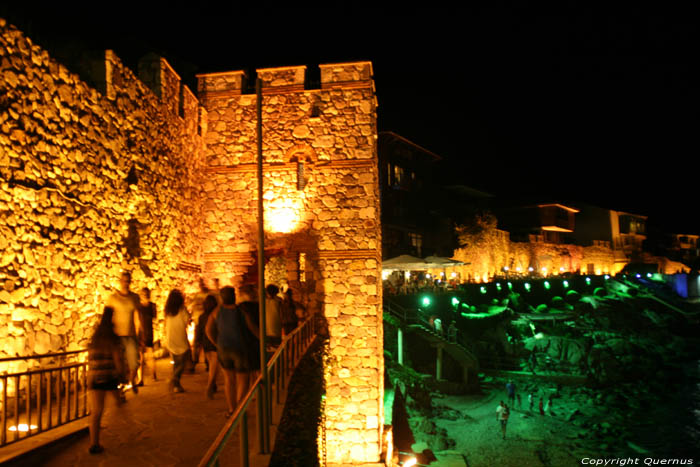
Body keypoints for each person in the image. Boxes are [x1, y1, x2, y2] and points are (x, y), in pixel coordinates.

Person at [207, 285, 260, 417]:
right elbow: (253, 328)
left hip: (223, 349)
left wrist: (216, 342)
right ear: (234, 296)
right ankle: (240, 409)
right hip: (239, 349)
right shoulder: (240, 311)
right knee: (243, 379)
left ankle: (232, 409)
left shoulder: (217, 311)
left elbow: (208, 329)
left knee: (229, 380)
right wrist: (264, 339)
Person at [87, 306, 125, 454]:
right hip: (109, 377)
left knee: (96, 411)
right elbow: (118, 360)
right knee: (119, 404)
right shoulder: (112, 340)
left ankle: (94, 443)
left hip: (95, 378)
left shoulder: (95, 339)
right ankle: (126, 429)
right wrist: (122, 375)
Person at [107, 271, 141, 394]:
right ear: (120, 281)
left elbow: (138, 316)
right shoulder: (113, 298)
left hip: (131, 335)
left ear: (130, 282)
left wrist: (140, 334)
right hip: (117, 335)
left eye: (128, 281)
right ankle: (120, 388)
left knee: (134, 362)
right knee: (118, 364)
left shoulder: (135, 297)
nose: (126, 283)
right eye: (124, 280)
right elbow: (107, 316)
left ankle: (131, 381)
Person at [164, 289, 190, 393]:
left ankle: (177, 385)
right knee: (182, 363)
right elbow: (186, 320)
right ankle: (174, 378)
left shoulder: (168, 311)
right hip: (180, 338)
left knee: (176, 363)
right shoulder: (182, 309)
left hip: (170, 339)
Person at [195, 294, 220, 399]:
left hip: (206, 344)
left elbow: (199, 331)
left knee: (212, 366)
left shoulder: (202, 316)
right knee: (214, 367)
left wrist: (198, 343)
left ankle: (213, 385)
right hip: (214, 343)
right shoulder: (216, 315)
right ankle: (209, 386)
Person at [136, 287, 157, 385]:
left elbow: (154, 319)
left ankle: (153, 374)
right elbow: (137, 322)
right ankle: (141, 379)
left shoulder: (151, 306)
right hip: (142, 334)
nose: (144, 295)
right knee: (141, 358)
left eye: (145, 294)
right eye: (143, 294)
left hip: (147, 334)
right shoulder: (139, 307)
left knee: (150, 356)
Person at [265, 284, 283, 349]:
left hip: (266, 329)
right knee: (276, 348)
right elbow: (282, 313)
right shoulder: (279, 300)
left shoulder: (263, 301)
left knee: (268, 347)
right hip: (276, 328)